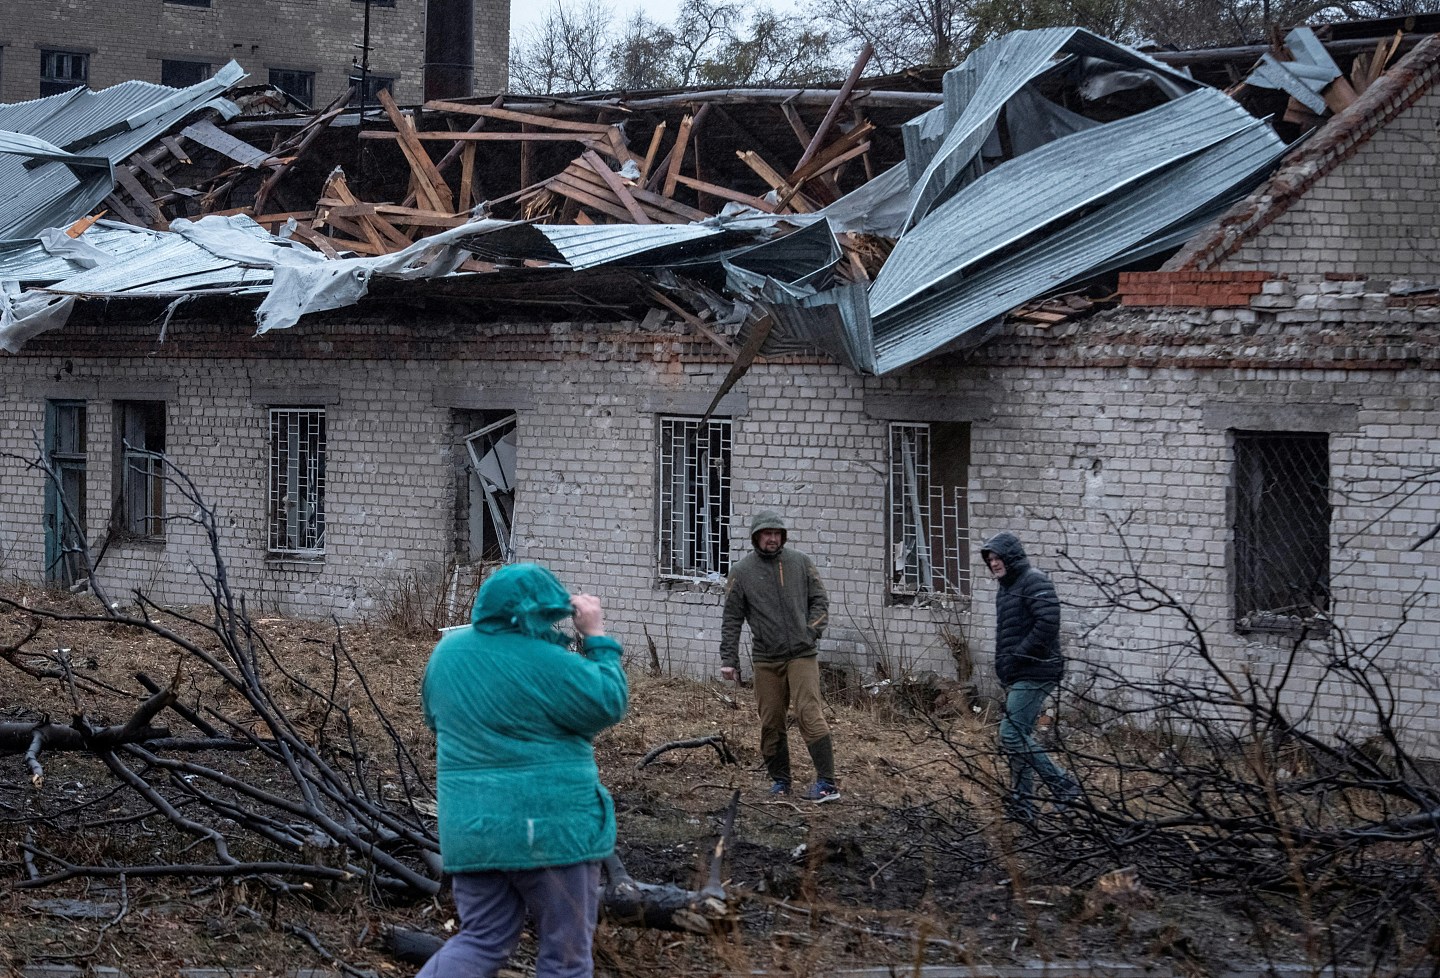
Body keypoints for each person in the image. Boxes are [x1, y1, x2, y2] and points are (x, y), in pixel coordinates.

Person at [419, 563, 628, 978]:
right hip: (551, 832)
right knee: (565, 957)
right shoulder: (550, 663)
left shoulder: (446, 655)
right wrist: (596, 636)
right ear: (540, 612)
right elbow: (609, 702)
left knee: (480, 940)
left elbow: (433, 718)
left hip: (472, 832)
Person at [720, 511, 839, 804]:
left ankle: (827, 783)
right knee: (771, 720)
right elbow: (732, 618)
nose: (772, 538)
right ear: (756, 537)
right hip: (766, 659)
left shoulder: (800, 563)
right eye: (766, 533)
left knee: (808, 713)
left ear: (782, 536)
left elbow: (820, 600)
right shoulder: (742, 572)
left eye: (777, 533)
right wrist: (729, 659)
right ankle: (781, 782)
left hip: (802, 654)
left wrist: (810, 632)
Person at [979, 532, 1080, 822]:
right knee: (1018, 736)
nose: (995, 564)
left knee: (1011, 735)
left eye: (998, 558)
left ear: (1011, 557)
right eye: (991, 560)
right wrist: (1006, 667)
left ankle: (1063, 785)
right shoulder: (1006, 587)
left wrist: (1018, 657)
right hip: (1019, 671)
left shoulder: (1033, 581)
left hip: (1037, 670)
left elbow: (1048, 623)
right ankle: (1024, 804)